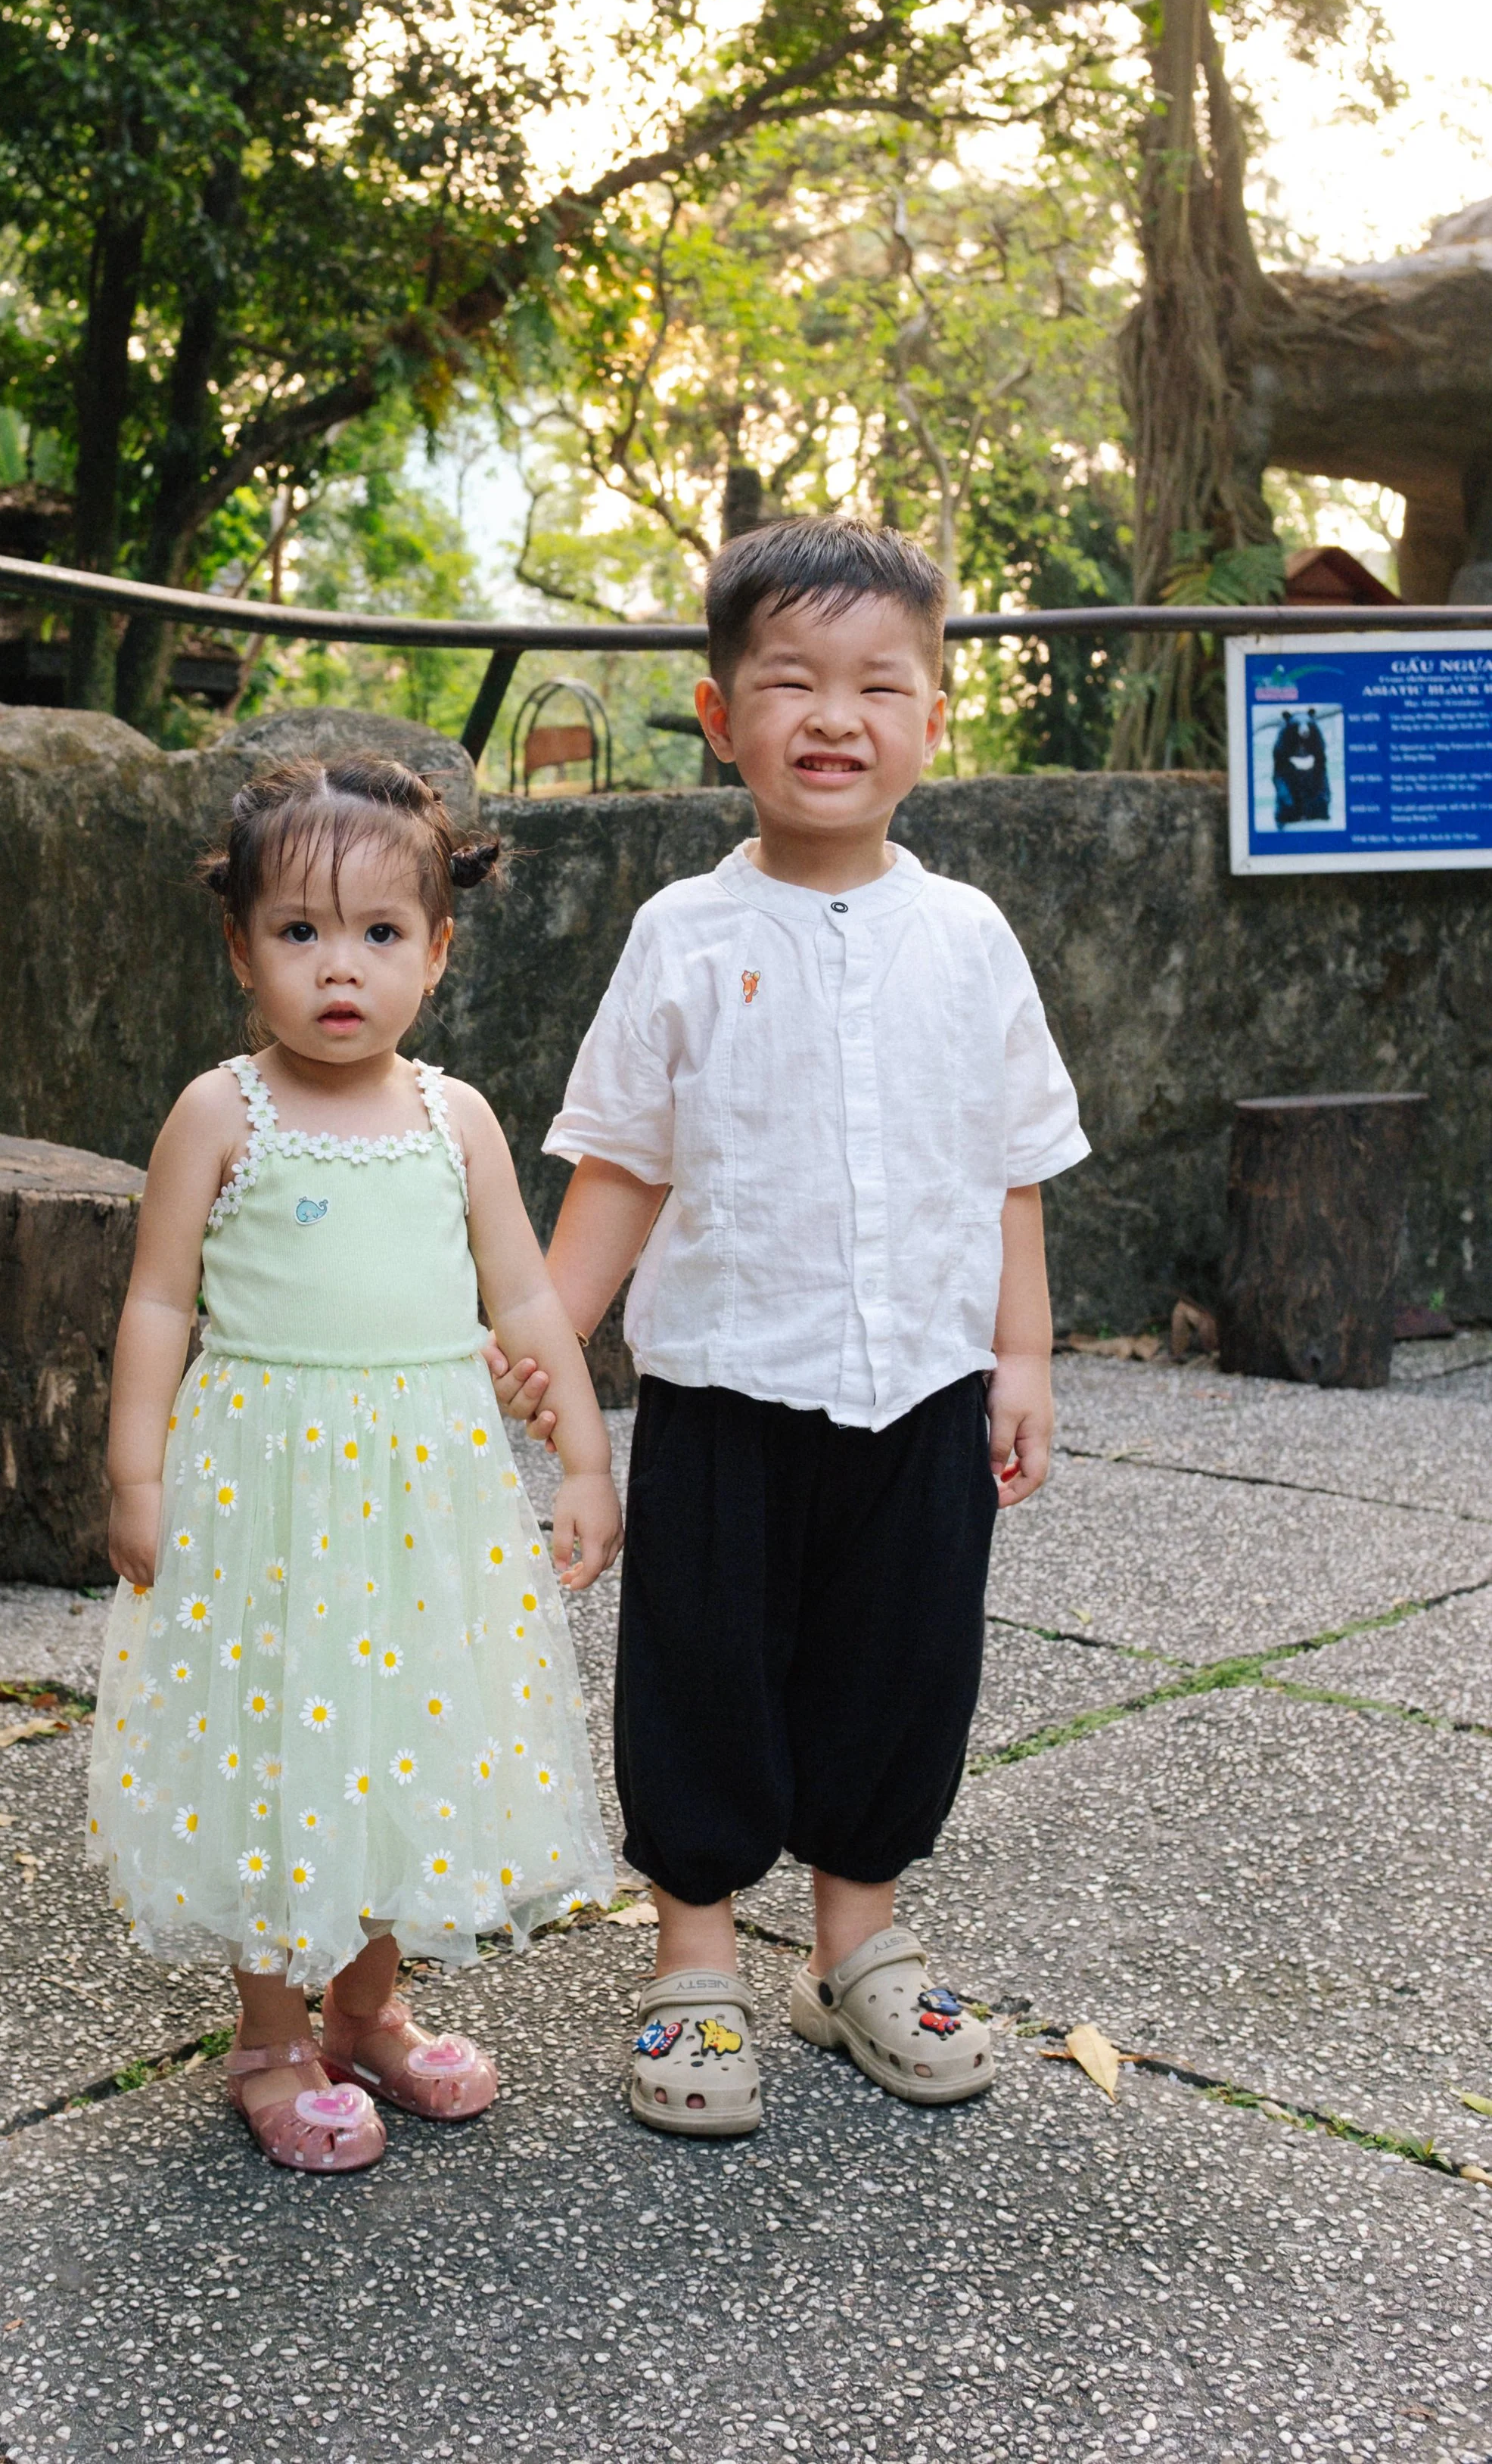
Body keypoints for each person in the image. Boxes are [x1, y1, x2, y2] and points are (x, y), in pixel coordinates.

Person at [514, 517, 1087, 2135]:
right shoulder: (682, 937)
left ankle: (855, 1948)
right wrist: (549, 1335)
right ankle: (691, 1955)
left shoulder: (967, 937)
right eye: (789, 682)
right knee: (697, 1671)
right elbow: (621, 1165)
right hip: (721, 1391)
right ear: (719, 716)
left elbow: (1012, 1170)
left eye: (874, 685)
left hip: (921, 1386)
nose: (831, 717)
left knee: (900, 1669)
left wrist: (1021, 1355)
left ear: (929, 717)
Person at [88, 753, 619, 2174]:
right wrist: (136, 1471)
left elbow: (523, 1302)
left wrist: (581, 1456)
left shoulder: (456, 1121)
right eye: (300, 932)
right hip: (265, 1496)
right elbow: (157, 1300)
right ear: (240, 947)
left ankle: (367, 2007)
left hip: (422, 1501)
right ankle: (270, 2033)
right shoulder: (221, 1113)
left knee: (404, 1740)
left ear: (437, 954)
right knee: (276, 1749)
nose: (342, 968)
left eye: (382, 934)